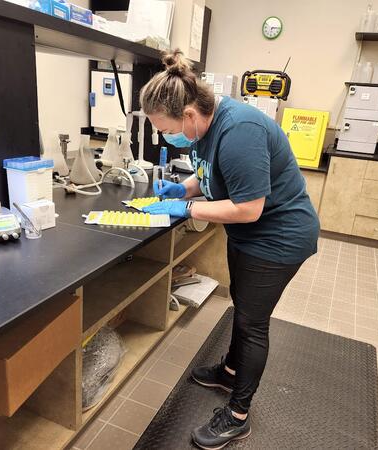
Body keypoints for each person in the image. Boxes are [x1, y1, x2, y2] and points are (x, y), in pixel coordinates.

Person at [139, 49, 320, 450]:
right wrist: (183, 188)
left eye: (162, 127)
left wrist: (185, 208)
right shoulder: (204, 127)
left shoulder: (239, 130)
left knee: (252, 323)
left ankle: (237, 416)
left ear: (188, 114)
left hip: (279, 237)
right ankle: (229, 371)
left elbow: (248, 207)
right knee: (242, 309)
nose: (161, 135)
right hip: (250, 237)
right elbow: (212, 175)